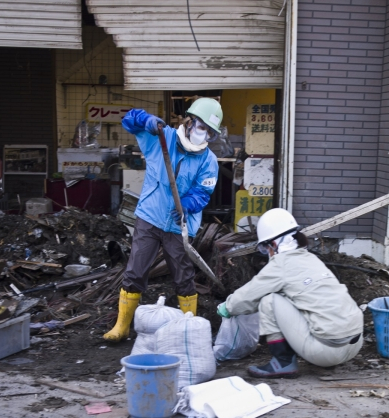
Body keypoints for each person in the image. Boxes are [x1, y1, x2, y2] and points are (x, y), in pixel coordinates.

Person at [104, 98, 223, 342]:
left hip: (180, 225)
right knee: (135, 270)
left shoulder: (208, 160)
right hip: (150, 216)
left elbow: (203, 191)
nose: (204, 135)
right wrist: (145, 120)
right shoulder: (162, 138)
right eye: (202, 128)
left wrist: (186, 205)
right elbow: (129, 121)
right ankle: (122, 326)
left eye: (209, 132)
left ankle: (188, 329)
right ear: (189, 122)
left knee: (183, 276)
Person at [216, 208, 363, 378]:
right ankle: (318, 356)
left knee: (269, 300)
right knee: (296, 297)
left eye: (266, 248)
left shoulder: (280, 264)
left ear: (273, 244)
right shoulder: (311, 259)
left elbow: (248, 297)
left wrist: (227, 307)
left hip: (326, 352)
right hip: (355, 344)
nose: (268, 253)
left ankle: (283, 363)